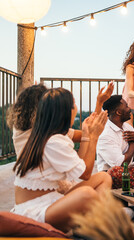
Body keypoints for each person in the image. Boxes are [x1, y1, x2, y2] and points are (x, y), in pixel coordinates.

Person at [11, 88, 112, 232]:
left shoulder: (49, 134)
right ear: (65, 110)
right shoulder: (53, 141)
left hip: (51, 200)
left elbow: (81, 165)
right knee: (86, 194)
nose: (76, 108)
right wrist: (93, 137)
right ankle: (97, 222)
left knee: (103, 177)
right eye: (74, 104)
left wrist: (87, 133)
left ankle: (94, 222)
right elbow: (86, 173)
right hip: (34, 211)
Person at [6, 82, 114, 193]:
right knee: (93, 188)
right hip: (51, 189)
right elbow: (85, 172)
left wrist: (99, 104)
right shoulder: (51, 137)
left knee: (101, 179)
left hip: (50, 185)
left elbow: (88, 132)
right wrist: (93, 135)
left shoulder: (44, 130)